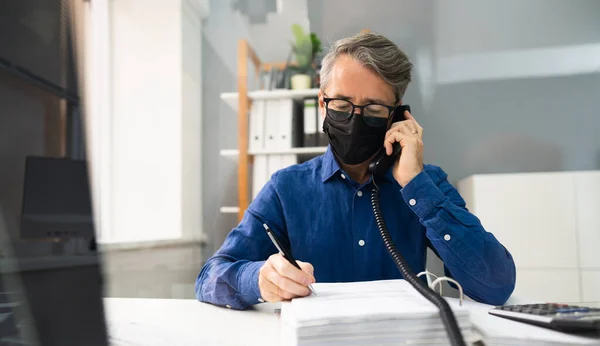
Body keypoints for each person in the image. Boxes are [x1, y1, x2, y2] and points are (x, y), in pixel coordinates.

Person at [195, 32, 516, 310]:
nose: (355, 119)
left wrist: (415, 185)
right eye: (342, 106)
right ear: (322, 104)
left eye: (374, 110)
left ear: (398, 116)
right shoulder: (286, 188)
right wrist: (259, 280)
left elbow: (495, 285)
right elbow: (210, 277)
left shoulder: (427, 184)